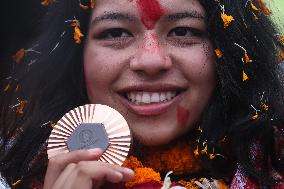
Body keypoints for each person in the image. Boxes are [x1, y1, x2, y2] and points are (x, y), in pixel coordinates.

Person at [0, 0, 284, 188]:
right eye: (115, 33)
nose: (150, 61)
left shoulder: (276, 163)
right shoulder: (15, 173)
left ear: (231, 52)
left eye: (183, 30)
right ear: (76, 58)